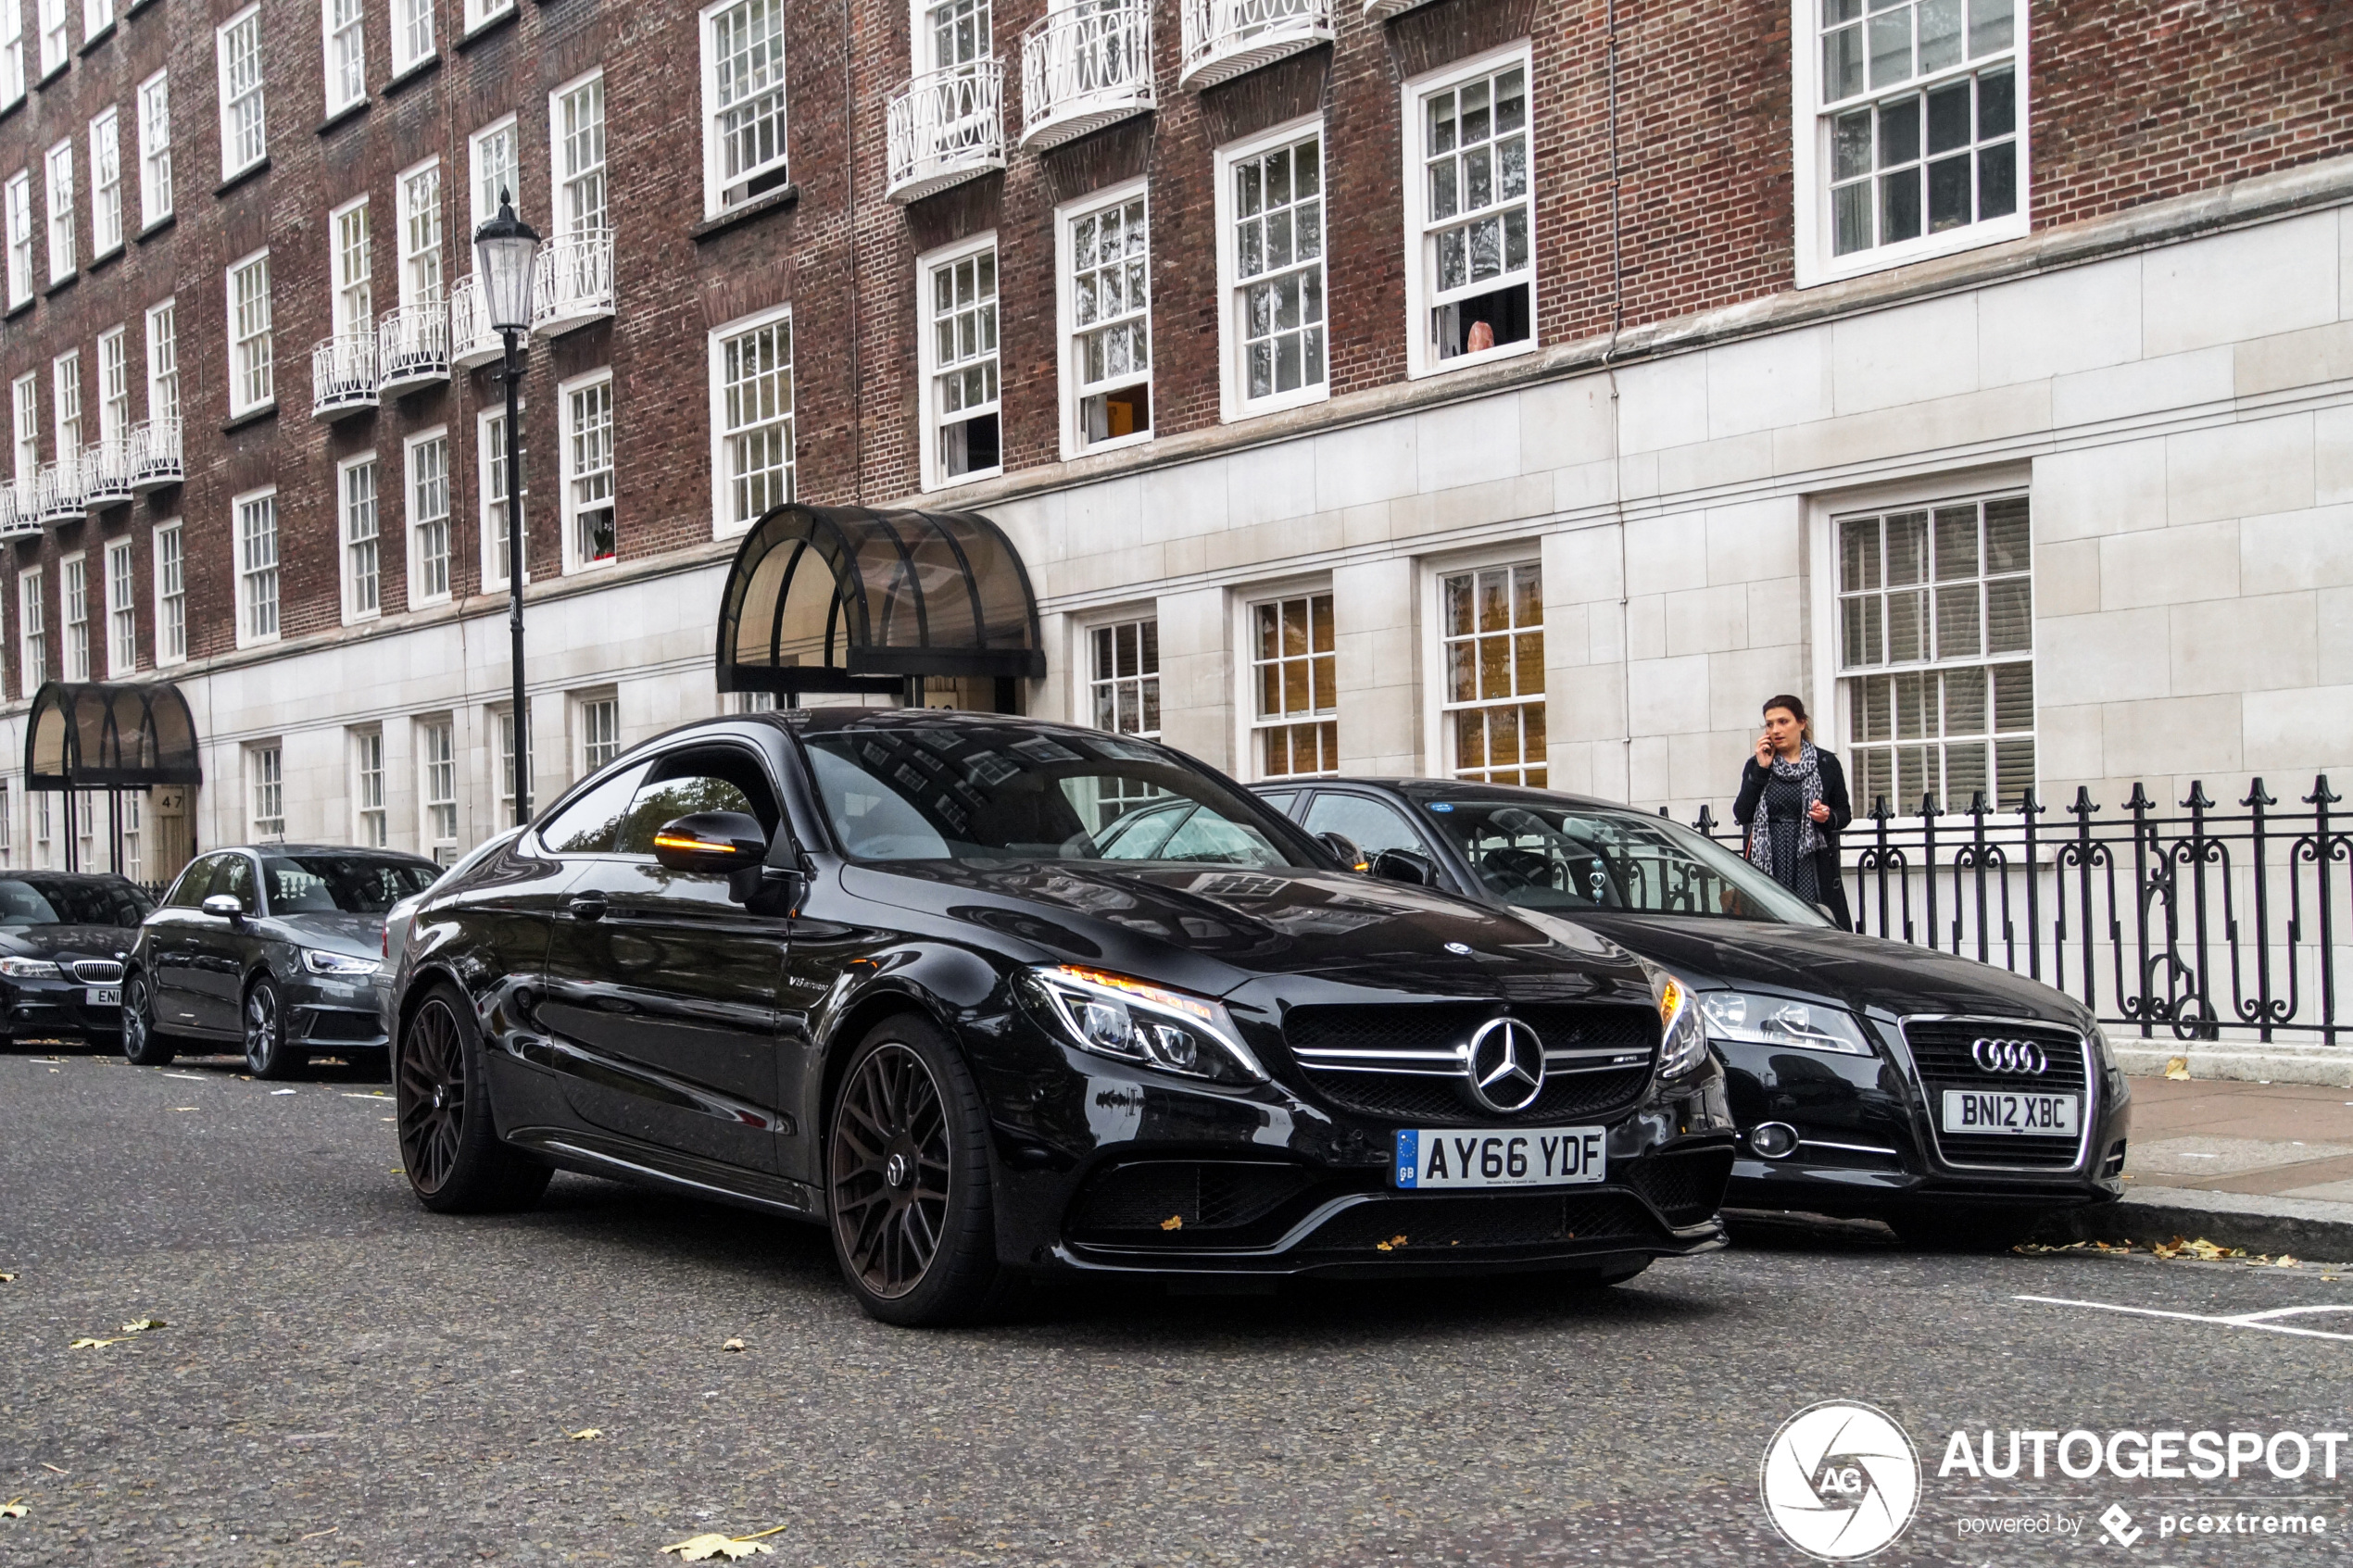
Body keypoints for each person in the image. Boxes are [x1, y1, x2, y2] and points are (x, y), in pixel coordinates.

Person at [1732, 694, 1854, 931]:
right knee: (1771, 928)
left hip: (1811, 859)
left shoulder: (1826, 763)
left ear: (1801, 723)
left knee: (1815, 924)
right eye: (1769, 724)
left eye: (1783, 721)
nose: (1775, 730)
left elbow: (1844, 813)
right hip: (1769, 858)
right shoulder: (1757, 764)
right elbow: (1742, 813)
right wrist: (1761, 770)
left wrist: (1827, 816)